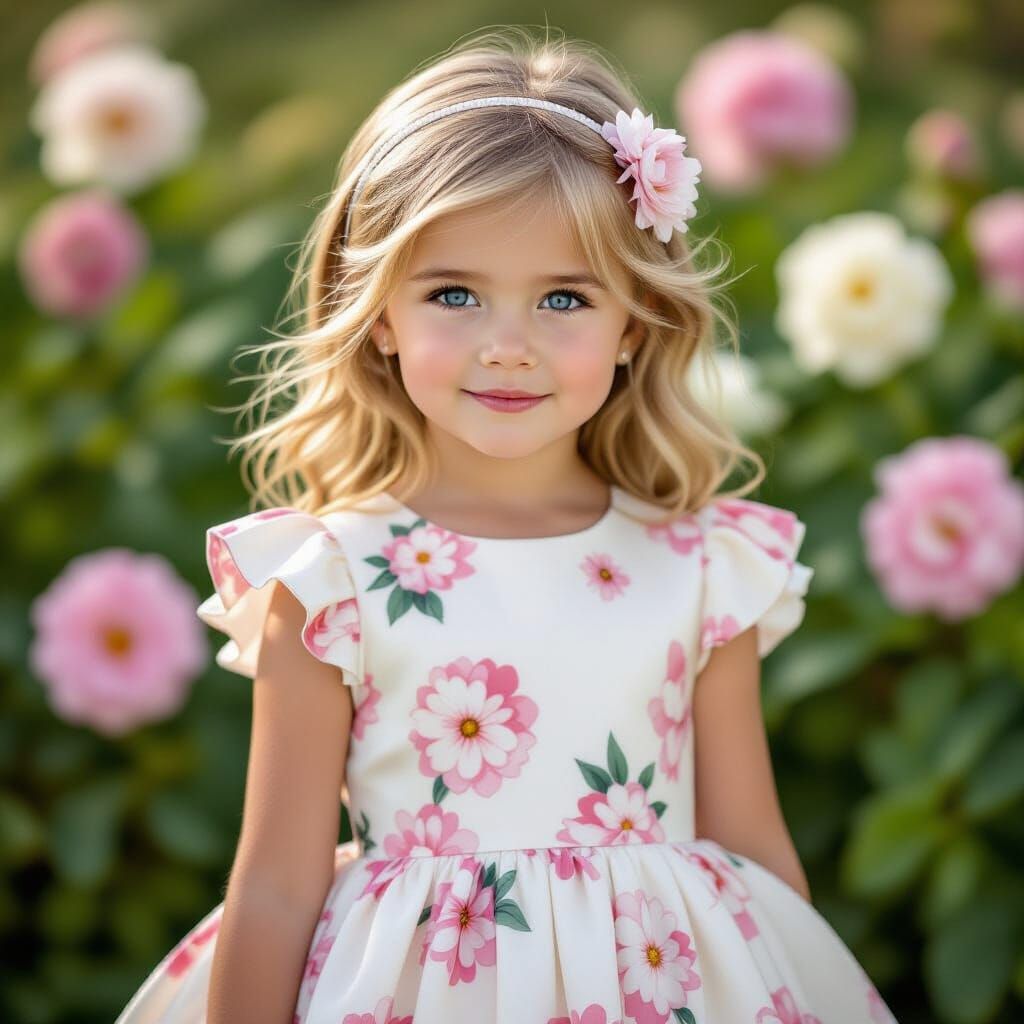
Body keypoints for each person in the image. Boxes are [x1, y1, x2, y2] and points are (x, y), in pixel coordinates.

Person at [115, 27, 899, 1024]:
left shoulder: (703, 566)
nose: (508, 348)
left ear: (635, 323)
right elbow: (274, 882)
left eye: (564, 297)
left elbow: (753, 853)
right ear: (380, 314)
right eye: (454, 294)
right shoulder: (327, 581)